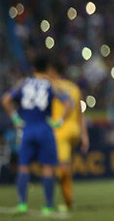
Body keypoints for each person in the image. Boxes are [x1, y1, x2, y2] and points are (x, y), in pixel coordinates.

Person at [1, 54, 71, 216]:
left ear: (33, 69)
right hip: (45, 128)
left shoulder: (23, 83)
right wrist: (60, 121)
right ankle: (48, 206)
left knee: (23, 166)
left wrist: (15, 118)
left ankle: (22, 204)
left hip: (27, 129)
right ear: (47, 69)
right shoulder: (51, 85)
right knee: (48, 167)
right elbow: (69, 103)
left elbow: (6, 99)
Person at [49, 59, 90, 212]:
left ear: (53, 71)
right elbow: (80, 114)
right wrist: (84, 135)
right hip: (75, 131)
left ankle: (65, 202)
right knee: (67, 167)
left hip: (61, 130)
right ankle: (68, 201)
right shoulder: (74, 87)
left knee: (62, 168)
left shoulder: (53, 87)